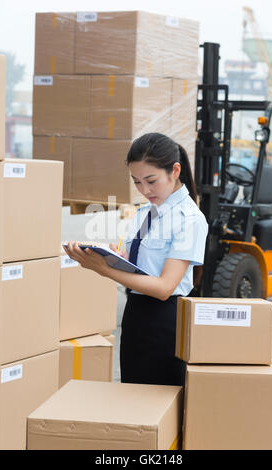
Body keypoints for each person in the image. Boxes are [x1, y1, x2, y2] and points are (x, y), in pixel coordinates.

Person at [64, 133, 208, 388]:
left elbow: (164, 288)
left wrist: (105, 270)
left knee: (160, 409)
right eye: (137, 182)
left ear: (175, 171)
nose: (144, 190)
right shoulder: (145, 213)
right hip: (135, 318)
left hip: (166, 323)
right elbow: (139, 265)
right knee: (132, 400)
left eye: (151, 181)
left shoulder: (189, 219)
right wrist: (115, 258)